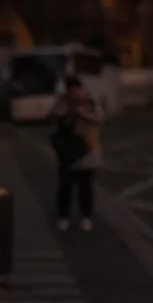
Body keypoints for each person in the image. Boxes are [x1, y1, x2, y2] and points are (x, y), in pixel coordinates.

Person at [49, 74, 101, 231]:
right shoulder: (62, 102)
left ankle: (86, 217)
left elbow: (98, 118)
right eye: (71, 90)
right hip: (67, 152)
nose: (75, 93)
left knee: (86, 188)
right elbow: (54, 120)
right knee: (65, 187)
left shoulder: (90, 101)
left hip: (87, 151)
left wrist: (82, 112)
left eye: (77, 89)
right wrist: (69, 112)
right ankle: (63, 217)